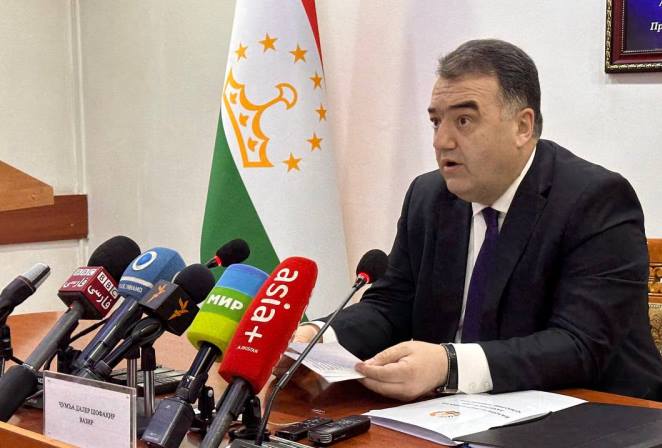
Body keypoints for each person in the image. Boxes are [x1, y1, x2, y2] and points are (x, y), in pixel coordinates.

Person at [292, 39, 662, 401]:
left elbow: (580, 345)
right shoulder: (428, 197)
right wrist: (317, 339)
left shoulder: (596, 200)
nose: (442, 141)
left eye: (464, 120)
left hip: (598, 412)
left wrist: (449, 365)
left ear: (523, 127)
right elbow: (390, 306)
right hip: (452, 414)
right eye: (436, 122)